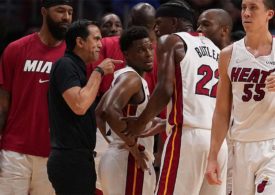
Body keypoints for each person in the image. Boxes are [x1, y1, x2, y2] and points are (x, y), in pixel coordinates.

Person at [122, 0, 228, 194]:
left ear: (173, 22)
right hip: (218, 143)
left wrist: (139, 123)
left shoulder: (171, 40)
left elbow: (164, 90)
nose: (155, 28)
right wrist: (164, 123)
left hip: (187, 139)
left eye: (159, 22)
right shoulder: (219, 51)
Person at [0, 1, 73, 194]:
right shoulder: (15, 49)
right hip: (14, 151)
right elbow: (3, 105)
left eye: (70, 12)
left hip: (54, 154)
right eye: (60, 11)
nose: (66, 17)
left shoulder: (73, 56)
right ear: (43, 12)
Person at [205, 0, 275, 195]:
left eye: (253, 8)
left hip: (271, 144)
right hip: (239, 146)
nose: (246, 13)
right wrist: (213, 157)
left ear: (269, 14)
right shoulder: (228, 54)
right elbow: (221, 111)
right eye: (244, 7)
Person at [47, 19, 119, 194]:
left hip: (78, 159)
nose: (100, 45)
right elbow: (79, 105)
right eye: (96, 39)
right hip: (69, 160)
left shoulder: (77, 67)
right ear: (80, 42)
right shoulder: (65, 65)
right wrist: (99, 72)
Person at [96, 26, 156, 195]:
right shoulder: (131, 78)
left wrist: (113, 141)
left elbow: (99, 112)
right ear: (126, 54)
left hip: (120, 156)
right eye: (141, 50)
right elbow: (108, 110)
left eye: (149, 48)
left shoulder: (125, 76)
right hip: (128, 161)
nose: (148, 54)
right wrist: (132, 147)